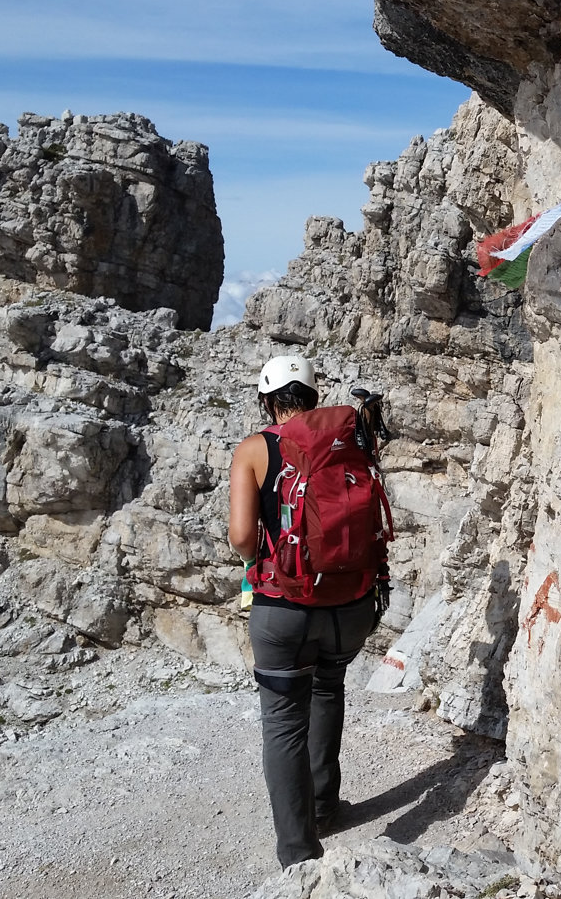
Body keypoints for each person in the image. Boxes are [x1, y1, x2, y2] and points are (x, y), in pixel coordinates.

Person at [228, 354, 381, 867]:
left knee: (282, 720)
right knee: (327, 688)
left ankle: (298, 851)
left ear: (267, 401)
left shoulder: (255, 449)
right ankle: (324, 807)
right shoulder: (353, 441)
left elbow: (243, 537)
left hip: (284, 607)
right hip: (352, 604)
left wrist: (258, 564)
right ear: (314, 398)